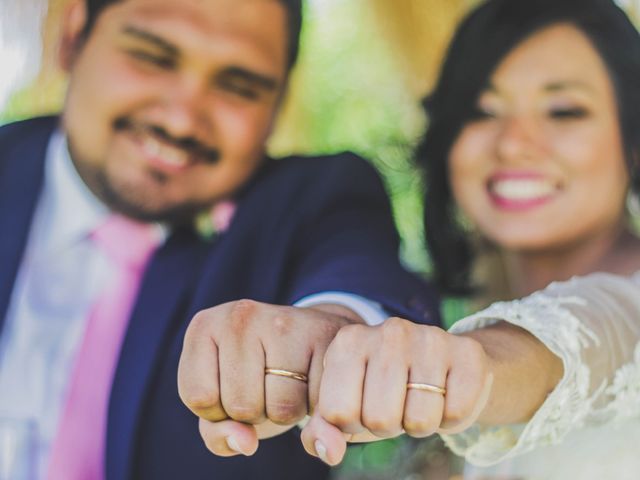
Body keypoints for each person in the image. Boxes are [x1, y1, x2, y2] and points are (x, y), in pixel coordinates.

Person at [0, 0, 440, 479]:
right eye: (152, 56)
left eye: (239, 86)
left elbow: (366, 290)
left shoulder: (316, 202)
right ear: (72, 39)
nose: (181, 121)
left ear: (277, 108)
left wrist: (335, 330)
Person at [291, 0, 640, 478]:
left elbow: (601, 324)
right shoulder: (443, 300)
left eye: (563, 111)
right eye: (481, 109)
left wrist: (464, 367)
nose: (514, 142)